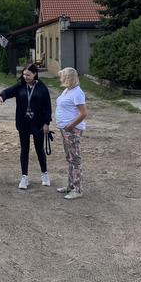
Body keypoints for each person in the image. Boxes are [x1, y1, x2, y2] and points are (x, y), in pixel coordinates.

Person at [0, 64, 52, 190]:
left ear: (35, 74)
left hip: (38, 124)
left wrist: (46, 123)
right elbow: (8, 91)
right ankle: (24, 177)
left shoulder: (42, 88)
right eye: (24, 74)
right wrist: (1, 97)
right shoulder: (20, 85)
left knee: (39, 149)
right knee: (24, 150)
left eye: (28, 75)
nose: (25, 77)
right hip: (23, 124)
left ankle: (44, 174)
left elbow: (47, 107)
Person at [55, 67, 87, 200]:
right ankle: (70, 185)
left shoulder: (77, 93)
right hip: (65, 129)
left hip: (72, 130)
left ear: (69, 78)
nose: (61, 79)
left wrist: (71, 125)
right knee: (70, 158)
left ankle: (77, 189)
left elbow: (83, 113)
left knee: (75, 159)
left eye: (63, 76)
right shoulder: (67, 91)